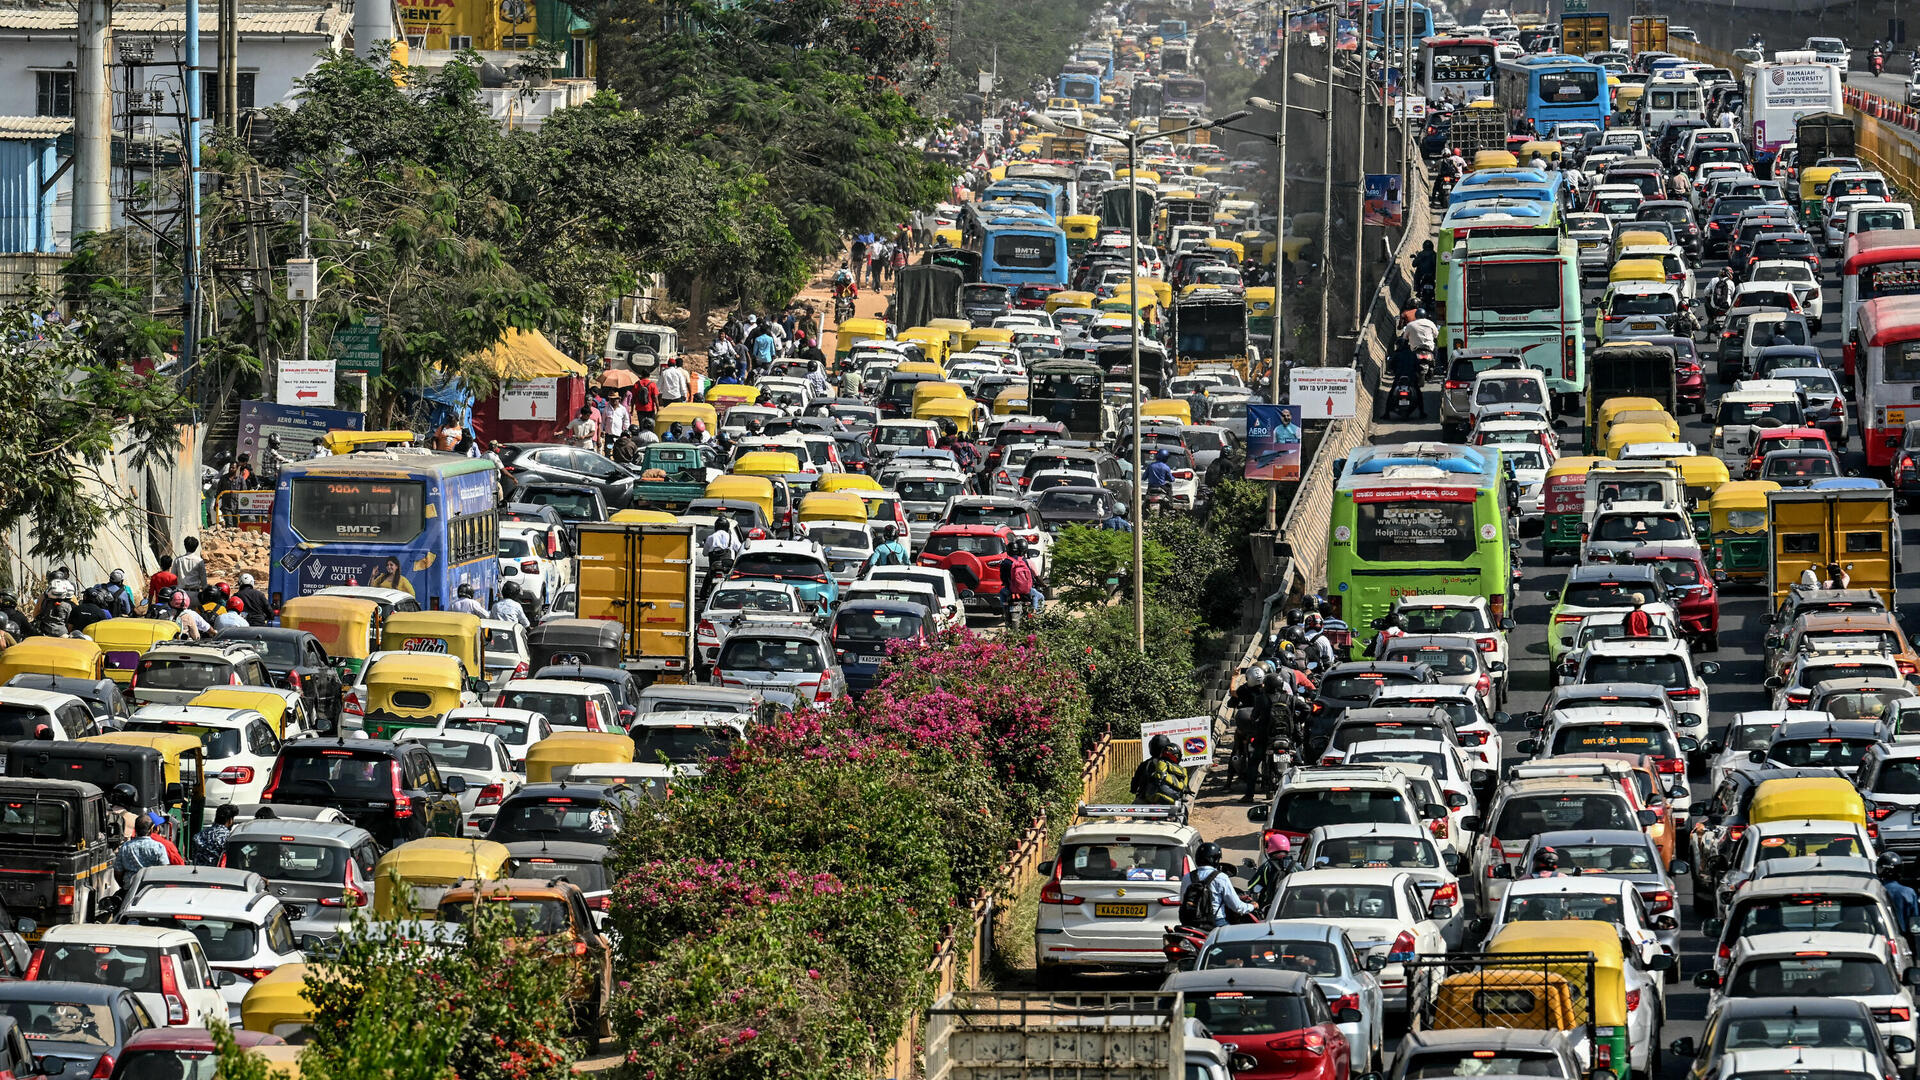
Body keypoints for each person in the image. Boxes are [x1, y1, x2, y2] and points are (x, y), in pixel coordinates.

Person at [1179, 842, 1255, 929]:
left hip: (1189, 923)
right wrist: (1252, 906)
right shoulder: (1221, 877)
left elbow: (1182, 901)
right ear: (1216, 860)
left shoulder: (1187, 877)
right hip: (1216, 923)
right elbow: (1237, 907)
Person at [1247, 832, 1296, 909]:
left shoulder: (1266, 867)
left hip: (1271, 906)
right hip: (1294, 904)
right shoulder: (1296, 865)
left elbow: (1252, 885)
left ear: (1269, 848)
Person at [1880, 854, 1920, 942]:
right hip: (1905, 939)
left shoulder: (1876, 890)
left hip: (1881, 938)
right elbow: (1915, 925)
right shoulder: (1908, 893)